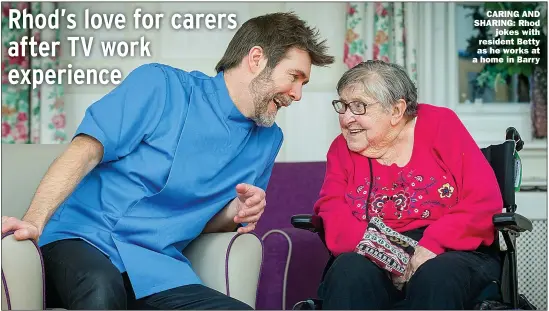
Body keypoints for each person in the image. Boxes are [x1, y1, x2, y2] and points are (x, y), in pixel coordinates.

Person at [1, 12, 334, 310]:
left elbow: (207, 223)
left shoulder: (268, 139)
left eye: (303, 83)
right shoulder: (161, 85)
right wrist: (34, 220)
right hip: (85, 238)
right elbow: (85, 149)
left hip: (156, 263)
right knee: (102, 292)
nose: (297, 94)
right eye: (294, 76)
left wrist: (236, 213)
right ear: (256, 58)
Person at [313, 60, 502, 310]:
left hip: (451, 249)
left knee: (436, 276)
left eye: (359, 107)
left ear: (396, 110)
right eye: (343, 106)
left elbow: (484, 200)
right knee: (349, 272)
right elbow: (332, 210)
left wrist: (432, 244)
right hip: (371, 250)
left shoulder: (440, 124)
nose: (347, 118)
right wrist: (391, 256)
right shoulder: (341, 149)